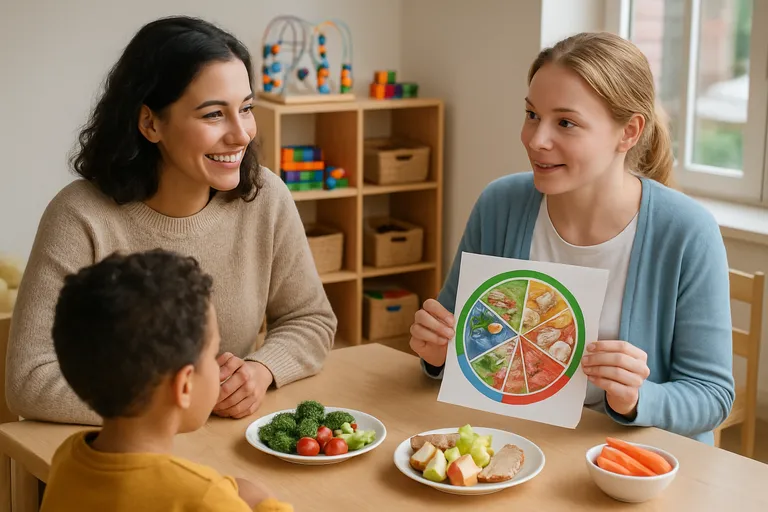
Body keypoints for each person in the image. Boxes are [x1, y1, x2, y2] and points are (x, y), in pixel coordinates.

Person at [6, 16, 336, 425]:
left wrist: (259, 370)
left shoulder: (265, 197)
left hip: (220, 441)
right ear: (150, 123)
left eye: (246, 108)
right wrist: (178, 405)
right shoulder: (80, 215)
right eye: (214, 114)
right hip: (114, 460)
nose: (241, 134)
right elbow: (29, 380)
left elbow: (311, 319)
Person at [409, 32, 734, 444]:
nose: (536, 139)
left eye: (565, 122)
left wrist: (637, 399)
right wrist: (437, 355)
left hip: (626, 462)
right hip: (516, 440)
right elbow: (460, 339)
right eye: (531, 115)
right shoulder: (499, 204)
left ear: (628, 132)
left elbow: (712, 395)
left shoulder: (688, 232)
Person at [40, 249, 292, 512]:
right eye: (212, 353)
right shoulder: (203, 498)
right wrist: (265, 503)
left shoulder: (68, 457)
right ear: (184, 386)